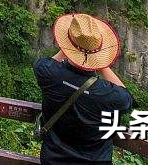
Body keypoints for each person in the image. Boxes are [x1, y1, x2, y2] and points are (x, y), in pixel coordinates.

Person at [33, 12, 135, 164]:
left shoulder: (49, 74)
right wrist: (101, 63)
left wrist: (70, 46)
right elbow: (127, 99)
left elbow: (45, 63)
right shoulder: (107, 93)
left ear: (67, 45)